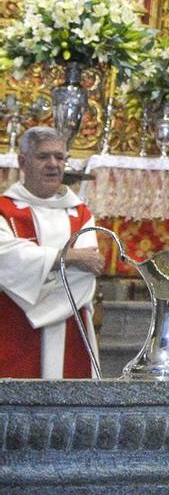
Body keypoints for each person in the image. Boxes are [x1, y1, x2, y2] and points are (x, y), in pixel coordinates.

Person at [0, 127, 101, 377]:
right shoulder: (5, 209)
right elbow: (5, 257)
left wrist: (31, 275)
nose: (53, 164)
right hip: (13, 326)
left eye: (59, 157)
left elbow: (88, 272)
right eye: (43, 156)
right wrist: (69, 258)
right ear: (23, 162)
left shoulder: (80, 213)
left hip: (71, 331)